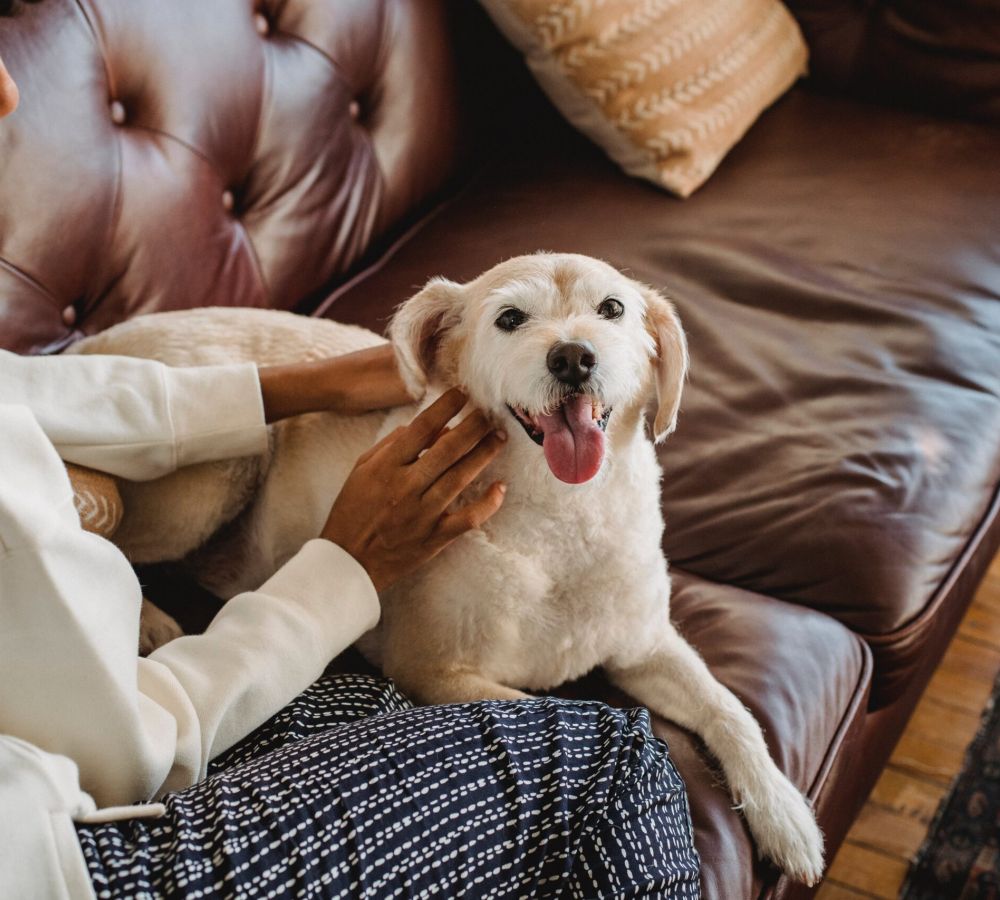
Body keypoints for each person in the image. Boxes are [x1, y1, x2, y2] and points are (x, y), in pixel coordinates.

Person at [0, 11, 701, 899]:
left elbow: (22, 388)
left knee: (406, 697)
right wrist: (348, 562)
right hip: (73, 853)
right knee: (613, 766)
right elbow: (131, 747)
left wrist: (306, 386)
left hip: (93, 730)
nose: (10, 88)